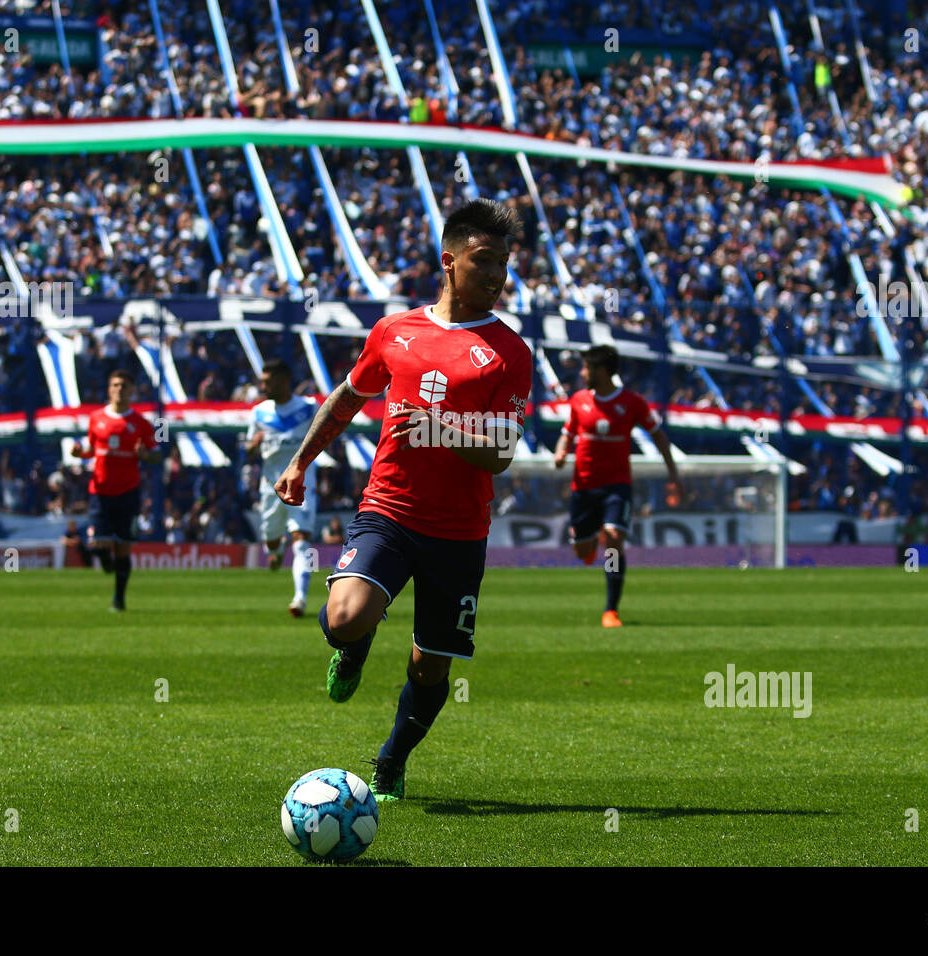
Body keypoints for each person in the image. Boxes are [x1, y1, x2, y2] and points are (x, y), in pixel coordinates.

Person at [273, 198, 533, 802]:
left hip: (460, 530)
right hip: (388, 508)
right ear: (450, 261)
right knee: (343, 618)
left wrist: (440, 428)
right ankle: (354, 648)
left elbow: (500, 452)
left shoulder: (510, 352)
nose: (497, 276)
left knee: (429, 667)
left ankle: (391, 759)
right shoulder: (395, 331)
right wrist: (299, 461)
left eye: (505, 264)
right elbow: (347, 397)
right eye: (484, 261)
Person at [552, 345, 681, 627]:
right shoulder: (578, 401)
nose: (582, 373)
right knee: (583, 551)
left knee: (613, 541)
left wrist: (673, 473)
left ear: (600, 371)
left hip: (616, 487)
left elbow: (659, 436)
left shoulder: (632, 403)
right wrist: (561, 452)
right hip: (584, 487)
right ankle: (588, 542)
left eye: (586, 368)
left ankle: (611, 610)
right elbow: (567, 434)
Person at [69, 370, 160, 610]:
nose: (119, 389)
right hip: (99, 490)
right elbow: (91, 447)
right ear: (109, 389)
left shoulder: (141, 423)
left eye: (124, 385)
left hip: (128, 491)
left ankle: (119, 599)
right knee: (97, 545)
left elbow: (157, 453)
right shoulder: (96, 417)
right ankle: (105, 562)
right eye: (115, 385)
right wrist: (80, 453)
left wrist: (145, 455)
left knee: (123, 547)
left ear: (132, 391)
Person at [245, 358, 319, 616]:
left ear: (284, 380)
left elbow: (327, 433)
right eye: (262, 381)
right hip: (270, 486)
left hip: (303, 482)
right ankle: (274, 552)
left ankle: (299, 598)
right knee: (272, 540)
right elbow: (247, 448)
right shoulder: (258, 412)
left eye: (267, 381)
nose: (263, 385)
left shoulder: (309, 408)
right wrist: (253, 445)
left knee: (301, 539)